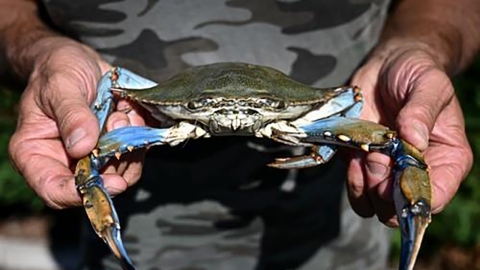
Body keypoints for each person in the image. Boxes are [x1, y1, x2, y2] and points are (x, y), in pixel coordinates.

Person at [2, 0, 478, 269]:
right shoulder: (138, 105)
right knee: (91, 165)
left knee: (400, 147)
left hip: (333, 247)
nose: (233, 117)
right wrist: (39, 51)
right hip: (130, 254)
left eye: (257, 110)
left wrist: (423, 44)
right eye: (208, 111)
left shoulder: (338, 105)